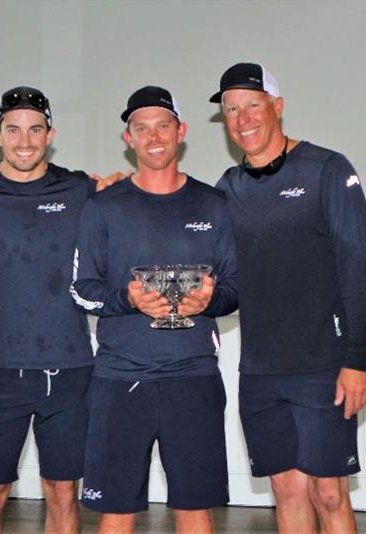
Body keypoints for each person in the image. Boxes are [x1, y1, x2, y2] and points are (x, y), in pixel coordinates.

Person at [211, 63, 366, 534]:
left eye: (252, 105)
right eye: (232, 110)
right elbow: (227, 286)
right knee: (286, 491)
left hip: (325, 366)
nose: (242, 119)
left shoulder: (327, 169)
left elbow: (357, 270)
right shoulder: (227, 189)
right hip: (260, 372)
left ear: (277, 107)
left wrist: (358, 360)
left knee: (329, 492)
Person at [71, 86, 238, 534]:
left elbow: (236, 287)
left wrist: (211, 300)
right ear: (129, 139)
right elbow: (81, 289)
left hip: (194, 378)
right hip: (120, 379)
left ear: (181, 132)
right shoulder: (103, 208)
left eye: (163, 125)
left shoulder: (213, 205)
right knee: (116, 512)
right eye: (141, 128)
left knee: (194, 510)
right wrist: (129, 299)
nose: (154, 137)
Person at [0, 86, 116, 533]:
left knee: (63, 495)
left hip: (71, 371)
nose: (25, 141)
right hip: (0, 372)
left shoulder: (81, 190)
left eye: (35, 130)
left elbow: (127, 229)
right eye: (14, 130)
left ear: (50, 134)